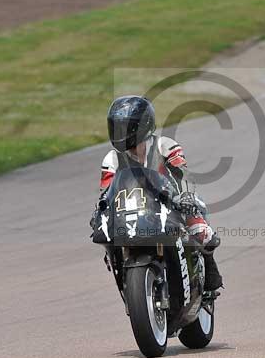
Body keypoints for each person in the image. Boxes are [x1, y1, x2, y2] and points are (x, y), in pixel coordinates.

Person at [92, 95, 223, 291]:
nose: (122, 131)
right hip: (131, 208)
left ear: (143, 124)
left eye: (127, 125)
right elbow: (107, 192)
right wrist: (99, 213)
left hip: (170, 201)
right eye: (117, 125)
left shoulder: (165, 145)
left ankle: (209, 266)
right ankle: (128, 283)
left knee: (200, 231)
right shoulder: (112, 158)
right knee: (106, 237)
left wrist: (185, 197)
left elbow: (184, 175)